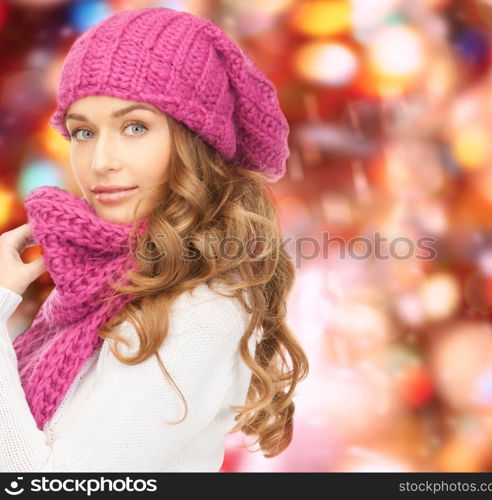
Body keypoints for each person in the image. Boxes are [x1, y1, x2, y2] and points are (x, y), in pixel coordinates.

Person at [0, 7, 309, 472]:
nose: (101, 160)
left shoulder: (201, 308)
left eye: (135, 127)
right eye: (84, 131)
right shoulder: (101, 285)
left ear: (193, 140)